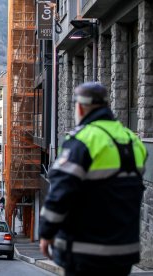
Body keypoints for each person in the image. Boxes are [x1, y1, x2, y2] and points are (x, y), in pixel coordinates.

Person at [39, 83, 147, 276]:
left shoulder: (82, 141)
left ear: (80, 108)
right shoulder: (132, 141)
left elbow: (60, 193)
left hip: (86, 250)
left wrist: (46, 232)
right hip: (125, 251)